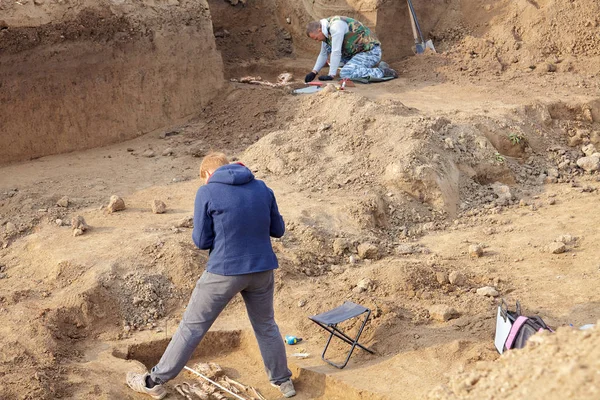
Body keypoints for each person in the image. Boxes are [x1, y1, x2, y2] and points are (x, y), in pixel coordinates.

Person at [126, 152, 296, 399]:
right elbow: (278, 230)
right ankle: (283, 382)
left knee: (192, 327)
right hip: (262, 269)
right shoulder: (262, 187)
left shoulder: (207, 192)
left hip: (224, 270)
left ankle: (154, 381)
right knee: (266, 325)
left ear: (207, 174)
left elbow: (201, 241)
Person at [304, 16, 397, 83]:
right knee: (332, 56)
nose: (317, 41)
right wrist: (314, 72)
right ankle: (361, 67)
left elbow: (336, 52)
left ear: (319, 30)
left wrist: (331, 75)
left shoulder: (335, 26)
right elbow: (323, 54)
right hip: (356, 53)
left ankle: (383, 71)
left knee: (345, 73)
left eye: (316, 38)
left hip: (370, 52)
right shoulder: (325, 30)